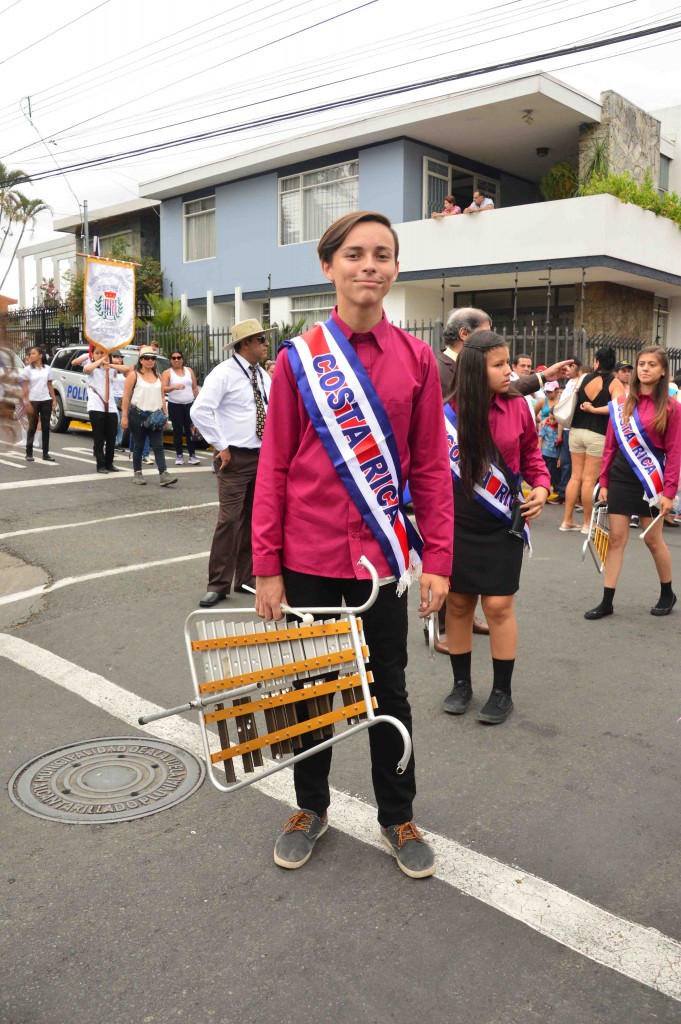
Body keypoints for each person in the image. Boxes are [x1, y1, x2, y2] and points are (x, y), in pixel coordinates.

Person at [253, 211, 453, 879]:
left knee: (386, 691)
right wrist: (266, 569)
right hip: (305, 561)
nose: (369, 264)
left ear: (395, 269)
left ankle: (397, 815)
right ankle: (309, 807)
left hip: (379, 564)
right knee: (306, 691)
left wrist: (440, 562)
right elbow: (273, 466)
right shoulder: (297, 359)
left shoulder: (418, 358)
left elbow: (429, 467)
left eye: (383, 254)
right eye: (355, 254)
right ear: (328, 266)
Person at [442, 331, 549, 725]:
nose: (510, 371)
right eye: (499, 364)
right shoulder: (445, 414)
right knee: (458, 604)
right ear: (474, 370)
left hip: (503, 520)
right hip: (457, 522)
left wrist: (540, 487)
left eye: (508, 363)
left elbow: (533, 458)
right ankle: (461, 684)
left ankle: (502, 691)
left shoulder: (518, 407)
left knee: (499, 606)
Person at [585, 346, 681, 620]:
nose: (645, 368)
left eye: (652, 364)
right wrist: (603, 481)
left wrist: (670, 491)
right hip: (621, 476)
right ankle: (607, 600)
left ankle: (667, 592)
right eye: (641, 364)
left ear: (663, 370)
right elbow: (610, 446)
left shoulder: (673, 408)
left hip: (651, 480)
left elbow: (675, 452)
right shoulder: (622, 404)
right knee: (616, 539)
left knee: (652, 539)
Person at [191, 318, 274, 607]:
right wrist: (221, 445)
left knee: (253, 520)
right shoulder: (223, 373)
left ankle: (245, 577)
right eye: (261, 340)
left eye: (265, 339)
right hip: (235, 457)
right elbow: (200, 411)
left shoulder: (263, 376)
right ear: (245, 343)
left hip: (261, 456)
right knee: (229, 520)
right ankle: (218, 584)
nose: (265, 344)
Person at [560, 347, 624, 533]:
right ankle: (588, 524)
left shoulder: (583, 378)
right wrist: (595, 410)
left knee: (575, 477)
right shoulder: (614, 383)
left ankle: (567, 520)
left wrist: (588, 408)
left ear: (596, 362)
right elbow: (617, 408)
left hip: (576, 431)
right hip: (598, 434)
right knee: (589, 480)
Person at [121, 345, 177, 486]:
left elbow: (162, 397)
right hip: (138, 414)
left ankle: (164, 474)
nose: (150, 361)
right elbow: (126, 397)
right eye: (146, 358)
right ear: (140, 360)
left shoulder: (158, 375)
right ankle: (137, 473)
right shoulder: (134, 375)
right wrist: (124, 417)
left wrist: (165, 414)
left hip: (155, 416)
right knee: (139, 445)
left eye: (152, 358)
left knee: (158, 446)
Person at [83, 346, 126, 474]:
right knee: (99, 437)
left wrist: (110, 365)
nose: (101, 355)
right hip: (96, 406)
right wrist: (99, 360)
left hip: (111, 407)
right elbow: (87, 369)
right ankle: (100, 464)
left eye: (103, 353)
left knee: (111, 436)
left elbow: (127, 369)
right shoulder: (92, 368)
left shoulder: (110, 369)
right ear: (93, 355)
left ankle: (109, 462)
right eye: (98, 353)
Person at [550, 357, 582, 505]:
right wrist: (560, 434)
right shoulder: (569, 383)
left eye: (568, 367)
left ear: (575, 366)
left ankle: (579, 496)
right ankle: (563, 494)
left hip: (577, 428)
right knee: (565, 464)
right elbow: (563, 406)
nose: (566, 371)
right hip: (567, 428)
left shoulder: (582, 382)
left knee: (578, 466)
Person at [162, 350, 200, 466]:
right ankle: (179, 455)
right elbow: (162, 388)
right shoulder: (167, 373)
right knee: (177, 431)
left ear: (182, 359)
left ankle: (192, 455)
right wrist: (174, 387)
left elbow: (194, 387)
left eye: (179, 357)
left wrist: (197, 401)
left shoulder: (189, 371)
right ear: (170, 360)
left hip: (189, 404)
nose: (176, 360)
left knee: (191, 430)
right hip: (175, 405)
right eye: (174, 358)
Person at [21, 347, 56, 462]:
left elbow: (50, 385)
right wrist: (27, 402)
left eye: (34, 353)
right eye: (30, 354)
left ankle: (45, 453)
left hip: (46, 400)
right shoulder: (27, 370)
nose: (31, 355)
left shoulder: (47, 369)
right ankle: (29, 452)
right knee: (32, 426)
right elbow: (25, 387)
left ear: (40, 355)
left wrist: (54, 399)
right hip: (33, 401)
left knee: (46, 427)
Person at [538, 410, 563, 492]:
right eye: (550, 419)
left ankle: (556, 489)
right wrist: (539, 451)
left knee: (554, 474)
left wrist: (559, 458)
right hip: (544, 454)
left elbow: (561, 446)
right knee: (543, 472)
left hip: (554, 456)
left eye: (554, 419)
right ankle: (540, 488)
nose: (552, 421)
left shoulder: (560, 430)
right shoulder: (545, 426)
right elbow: (540, 439)